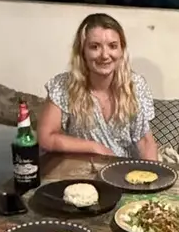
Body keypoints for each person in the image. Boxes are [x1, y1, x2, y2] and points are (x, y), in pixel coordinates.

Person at [38, 12, 159, 161]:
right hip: (82, 168)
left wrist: (152, 173)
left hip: (124, 169)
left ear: (121, 50)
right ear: (82, 51)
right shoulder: (63, 85)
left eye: (113, 46)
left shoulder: (136, 85)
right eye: (95, 47)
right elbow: (46, 137)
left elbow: (146, 142)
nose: (105, 55)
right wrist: (95, 148)